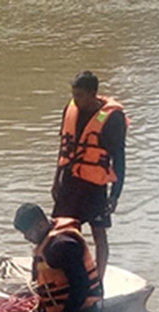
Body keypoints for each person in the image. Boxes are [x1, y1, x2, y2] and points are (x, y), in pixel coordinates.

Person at [51, 70, 127, 283]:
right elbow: (63, 146)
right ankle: (64, 276)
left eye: (81, 96)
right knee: (61, 229)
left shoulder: (112, 118)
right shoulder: (71, 108)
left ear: (93, 93)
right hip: (70, 180)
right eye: (74, 95)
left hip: (95, 185)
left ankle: (98, 281)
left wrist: (115, 195)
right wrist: (56, 179)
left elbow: (119, 158)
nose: (77, 100)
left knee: (99, 234)